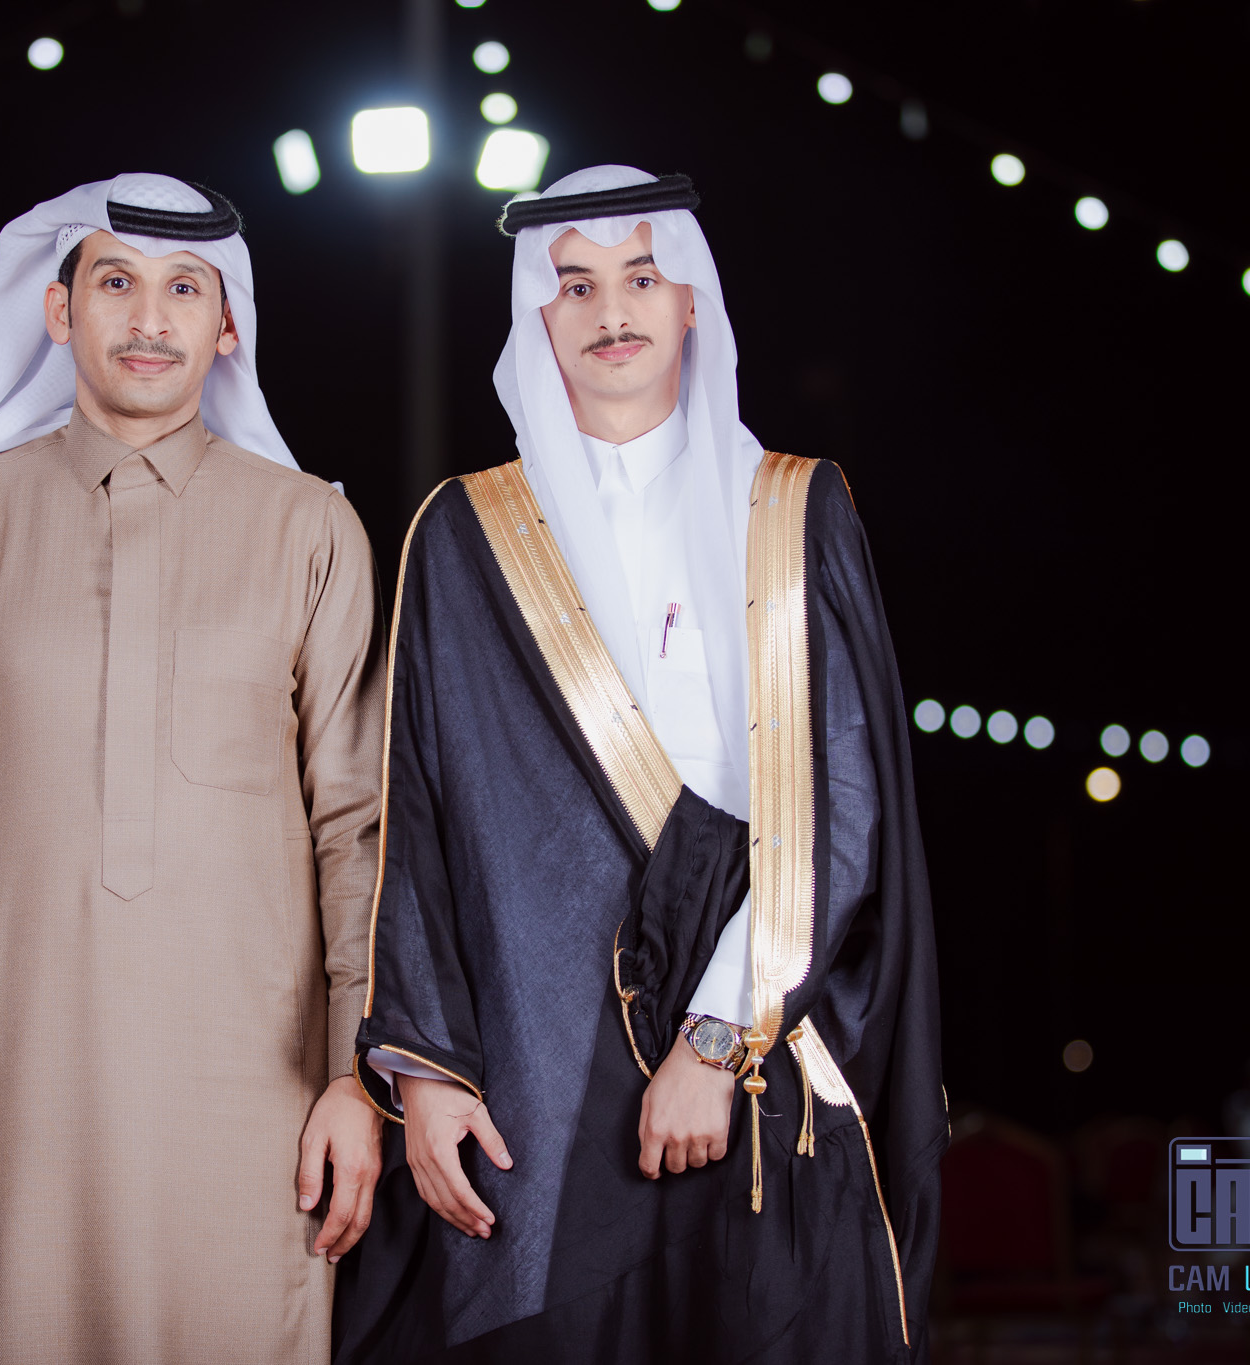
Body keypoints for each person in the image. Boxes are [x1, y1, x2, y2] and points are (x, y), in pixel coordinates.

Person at [336, 166, 945, 1362]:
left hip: (758, 1049)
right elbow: (417, 824)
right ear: (538, 314)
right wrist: (428, 1074)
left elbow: (838, 810)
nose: (609, 310)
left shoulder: (794, 510)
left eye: (640, 277)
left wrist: (714, 1041)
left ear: (689, 303)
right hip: (535, 1073)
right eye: (574, 285)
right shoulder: (462, 532)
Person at [0, 174, 385, 1363]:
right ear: (56, 311)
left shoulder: (312, 530)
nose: (148, 319)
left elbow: (356, 826)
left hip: (255, 1091)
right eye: (116, 283)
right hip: (0, 1081)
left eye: (185, 289)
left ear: (227, 326)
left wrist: (356, 1074)